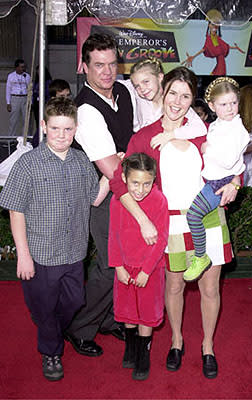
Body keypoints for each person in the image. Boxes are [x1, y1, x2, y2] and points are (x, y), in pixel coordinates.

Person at [110, 67, 240, 379]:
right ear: (163, 91)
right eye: (173, 93)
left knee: (210, 287)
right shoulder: (144, 137)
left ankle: (208, 346)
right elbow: (119, 183)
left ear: (192, 99)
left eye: (185, 96)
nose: (177, 101)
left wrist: (236, 180)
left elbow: (229, 161)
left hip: (208, 218)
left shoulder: (203, 132)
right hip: (171, 224)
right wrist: (143, 220)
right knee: (175, 284)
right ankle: (177, 340)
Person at [0, 97, 109, 381]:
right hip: (41, 255)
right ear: (45, 126)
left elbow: (93, 199)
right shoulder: (28, 164)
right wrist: (23, 255)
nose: (62, 135)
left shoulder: (82, 160)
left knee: (74, 302)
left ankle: (48, 325)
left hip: (74, 253)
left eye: (68, 129)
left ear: (76, 130)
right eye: (56, 128)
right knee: (46, 307)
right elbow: (15, 210)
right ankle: (51, 352)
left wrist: (112, 174)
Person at [65, 33, 134, 356]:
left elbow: (132, 143)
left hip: (123, 189)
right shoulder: (86, 110)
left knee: (121, 261)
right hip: (100, 197)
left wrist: (126, 154)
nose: (107, 72)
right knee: (109, 265)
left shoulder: (123, 91)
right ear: (84, 67)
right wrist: (126, 157)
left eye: (111, 64)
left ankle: (107, 318)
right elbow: (111, 168)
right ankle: (80, 327)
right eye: (98, 65)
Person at [109, 152, 169, 381]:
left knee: (146, 314)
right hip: (124, 267)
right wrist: (118, 266)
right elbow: (114, 235)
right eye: (135, 182)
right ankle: (130, 347)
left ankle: (143, 353)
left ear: (154, 180)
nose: (141, 189)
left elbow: (161, 239)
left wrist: (146, 270)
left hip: (149, 270)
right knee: (127, 311)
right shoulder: (118, 201)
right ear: (124, 178)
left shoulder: (159, 201)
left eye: (147, 183)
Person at [184, 77, 249, 281]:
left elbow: (229, 161)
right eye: (223, 104)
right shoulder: (219, 125)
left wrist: (207, 149)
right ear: (211, 105)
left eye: (233, 102)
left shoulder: (237, 129)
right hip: (211, 180)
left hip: (220, 183)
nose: (230, 108)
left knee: (193, 216)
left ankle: (200, 256)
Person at [121, 58, 207, 139]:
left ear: (160, 77)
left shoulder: (173, 101)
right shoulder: (136, 91)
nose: (142, 88)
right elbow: (112, 83)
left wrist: (171, 135)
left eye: (146, 81)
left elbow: (200, 128)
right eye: (137, 86)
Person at [182, 9, 244, 75]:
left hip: (222, 64)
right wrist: (193, 56)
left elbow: (226, 46)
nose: (214, 28)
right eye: (212, 25)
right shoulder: (209, 39)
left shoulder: (217, 39)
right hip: (220, 64)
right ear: (209, 25)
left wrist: (236, 48)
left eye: (216, 26)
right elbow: (204, 48)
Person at [6, 58, 31, 136]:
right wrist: (8, 102)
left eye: (23, 67)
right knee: (13, 119)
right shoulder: (11, 76)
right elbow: (8, 89)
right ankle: (11, 138)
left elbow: (30, 89)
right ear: (16, 67)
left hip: (24, 98)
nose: (22, 69)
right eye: (21, 67)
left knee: (26, 119)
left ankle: (25, 137)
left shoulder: (27, 76)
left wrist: (31, 102)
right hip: (15, 98)